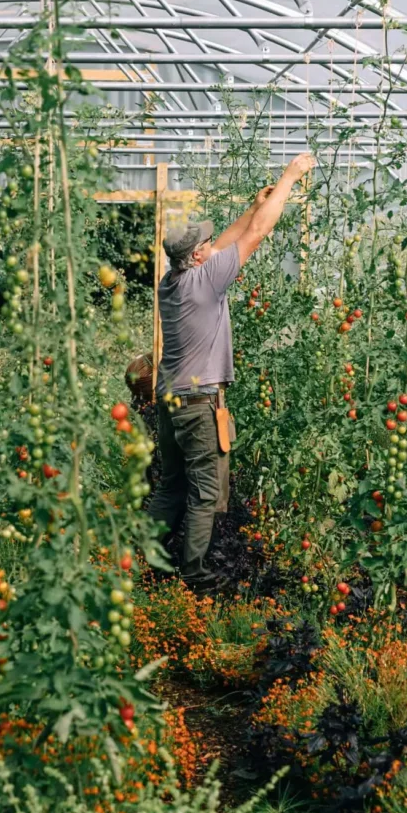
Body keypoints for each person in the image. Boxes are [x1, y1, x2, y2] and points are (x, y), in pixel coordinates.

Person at [147, 152, 316, 592]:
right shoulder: (208, 281)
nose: (211, 245)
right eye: (205, 245)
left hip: (170, 401)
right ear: (199, 257)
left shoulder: (174, 282)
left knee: (171, 486)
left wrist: (253, 205)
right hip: (200, 406)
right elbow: (259, 233)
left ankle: (139, 556)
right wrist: (289, 178)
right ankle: (196, 576)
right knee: (205, 492)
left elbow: (226, 240)